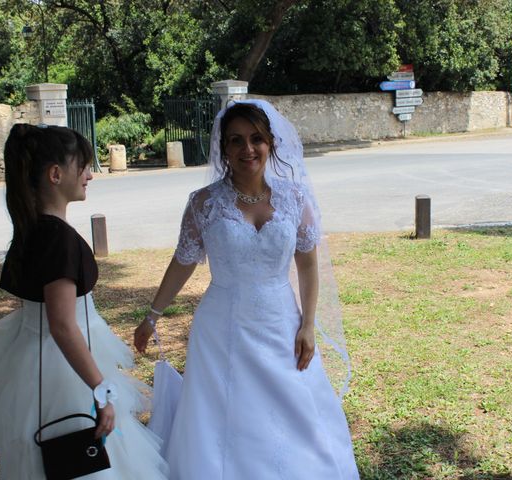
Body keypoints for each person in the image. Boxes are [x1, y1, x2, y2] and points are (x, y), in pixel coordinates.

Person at [134, 100, 359, 479]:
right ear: (224, 149)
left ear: (271, 143)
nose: (247, 149)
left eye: (256, 139)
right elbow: (184, 261)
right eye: (236, 141)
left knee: (293, 409)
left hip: (281, 322)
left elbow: (307, 263)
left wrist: (307, 323)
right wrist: (152, 315)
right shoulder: (203, 203)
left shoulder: (294, 198)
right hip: (222, 327)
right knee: (225, 415)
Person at [0, 124, 168, 479]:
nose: (90, 175)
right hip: (67, 366)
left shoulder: (31, 230)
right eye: (84, 166)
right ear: (56, 174)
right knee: (86, 458)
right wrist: (101, 389)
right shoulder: (58, 239)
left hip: (36, 358)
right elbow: (63, 325)